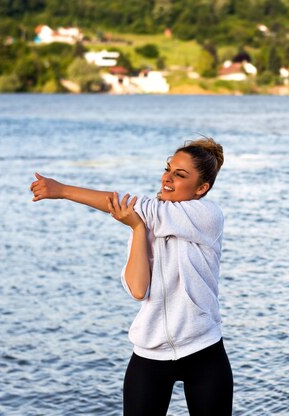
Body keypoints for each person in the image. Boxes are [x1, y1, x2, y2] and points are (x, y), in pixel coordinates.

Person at [30, 138, 233, 416]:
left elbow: (136, 207)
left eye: (180, 174)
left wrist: (63, 190)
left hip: (203, 349)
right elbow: (138, 290)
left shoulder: (207, 215)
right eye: (168, 169)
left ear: (202, 188)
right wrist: (137, 229)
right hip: (150, 353)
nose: (167, 178)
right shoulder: (146, 222)